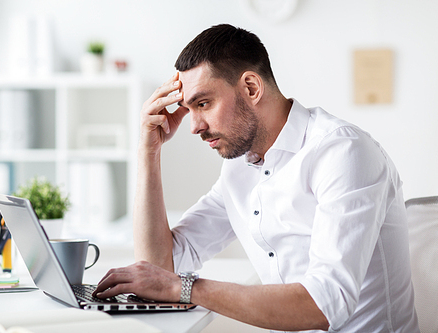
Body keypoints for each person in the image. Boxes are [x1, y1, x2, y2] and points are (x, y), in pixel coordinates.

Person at [93, 24, 419, 332]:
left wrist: (185, 288)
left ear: (251, 87)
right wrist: (149, 152)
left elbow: (325, 304)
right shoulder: (239, 169)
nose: (193, 126)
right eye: (188, 109)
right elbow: (160, 268)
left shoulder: (342, 152)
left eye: (203, 103)